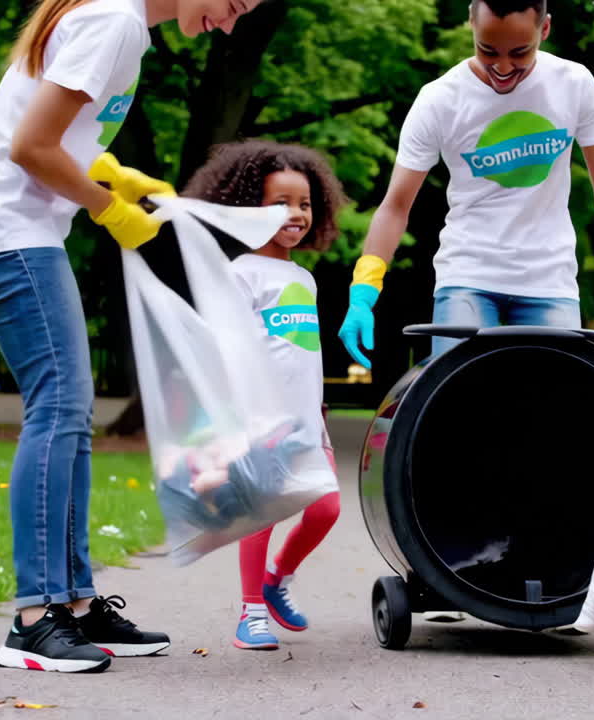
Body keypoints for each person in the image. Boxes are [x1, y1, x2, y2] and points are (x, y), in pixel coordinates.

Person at [0, 0, 266, 673]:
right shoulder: (112, 23)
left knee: (72, 412)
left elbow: (63, 140)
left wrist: (110, 174)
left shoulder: (126, 29)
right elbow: (29, 148)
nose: (231, 24)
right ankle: (34, 619)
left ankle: (79, 605)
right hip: (9, 233)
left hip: (23, 230)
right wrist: (109, 209)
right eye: (234, 4)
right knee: (59, 406)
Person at [338, 0, 594, 370]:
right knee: (456, 403)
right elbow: (396, 205)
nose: (502, 67)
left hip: (549, 279)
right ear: (471, 24)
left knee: (554, 407)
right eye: (487, 50)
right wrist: (364, 290)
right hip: (468, 274)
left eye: (520, 53)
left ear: (544, 30)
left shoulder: (574, 85)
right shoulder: (439, 100)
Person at [181, 141, 345, 650]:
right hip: (259, 422)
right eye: (280, 204)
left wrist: (317, 414)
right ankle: (250, 612)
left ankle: (277, 580)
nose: (295, 215)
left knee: (326, 509)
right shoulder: (240, 274)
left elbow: (303, 357)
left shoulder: (305, 278)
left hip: (305, 422)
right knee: (262, 513)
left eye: (304, 204)